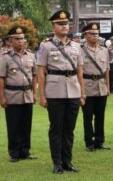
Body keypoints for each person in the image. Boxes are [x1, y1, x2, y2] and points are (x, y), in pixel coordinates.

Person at [37, 10, 85, 173]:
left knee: (69, 129)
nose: (64, 26)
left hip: (73, 91)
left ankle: (67, 161)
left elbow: (80, 72)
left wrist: (82, 93)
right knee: (56, 128)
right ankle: (57, 162)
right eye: (60, 24)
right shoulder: (45, 46)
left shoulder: (77, 46)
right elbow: (41, 72)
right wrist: (42, 95)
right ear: (53, 26)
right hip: (54, 91)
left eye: (66, 24)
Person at [0, 25, 38, 163]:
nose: (20, 41)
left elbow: (34, 76)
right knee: (13, 125)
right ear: (10, 41)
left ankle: (25, 151)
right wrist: (1, 97)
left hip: (27, 94)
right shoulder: (5, 58)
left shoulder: (31, 56)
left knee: (26, 125)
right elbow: (1, 78)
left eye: (22, 39)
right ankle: (14, 152)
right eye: (17, 39)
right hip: (12, 95)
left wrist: (34, 93)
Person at [80, 23, 110, 152]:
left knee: (100, 115)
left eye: (97, 34)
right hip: (87, 86)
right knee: (87, 116)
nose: (95, 36)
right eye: (92, 34)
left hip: (101, 86)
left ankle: (100, 141)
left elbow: (107, 70)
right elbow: (79, 72)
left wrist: (108, 86)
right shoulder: (80, 50)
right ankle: (89, 142)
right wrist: (80, 91)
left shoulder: (104, 50)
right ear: (86, 35)